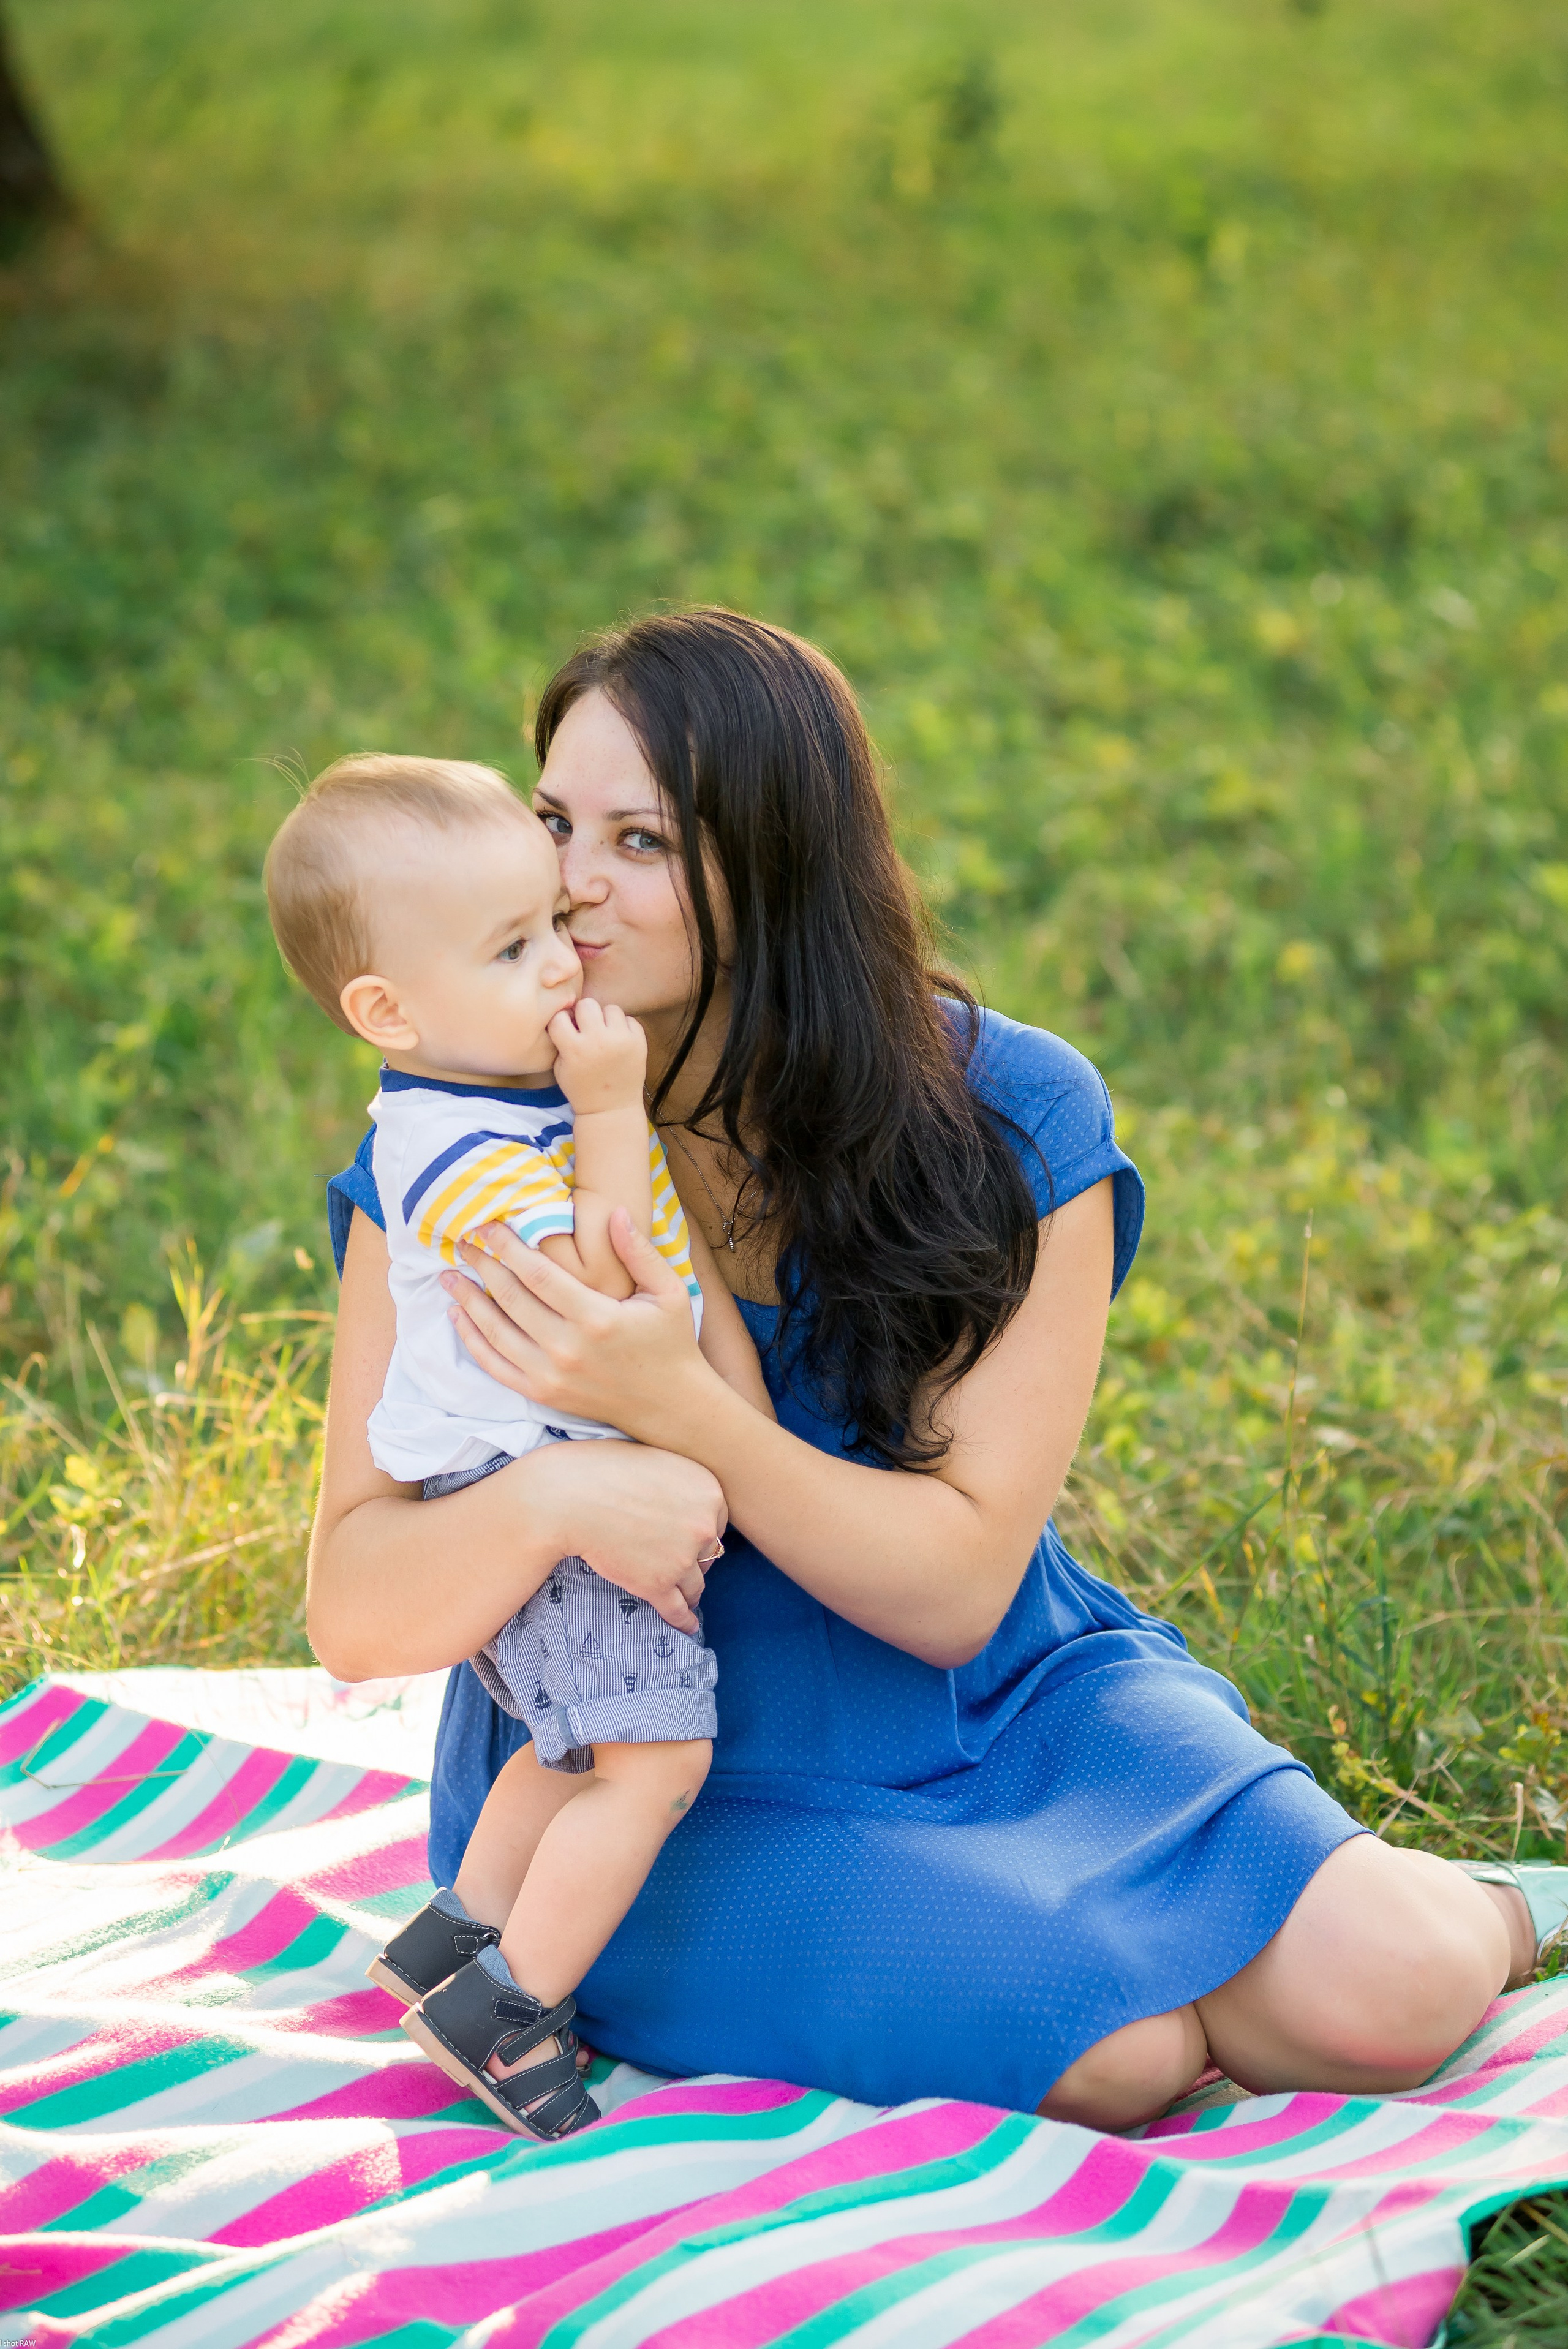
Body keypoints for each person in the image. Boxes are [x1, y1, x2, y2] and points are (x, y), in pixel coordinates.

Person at [309, 608, 1556, 2133]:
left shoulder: (1005, 1112)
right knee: (1115, 2052)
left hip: (990, 1682)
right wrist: (563, 1489)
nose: (564, 886)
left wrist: (676, 1408)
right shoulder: (463, 1161)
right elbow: (357, 1614)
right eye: (555, 818)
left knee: (1395, 1989)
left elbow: (960, 1584)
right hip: (644, 1767)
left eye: (638, 841)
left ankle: (1488, 1901)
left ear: (777, 863)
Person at [265, 752, 773, 2138]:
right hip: (543, 1497)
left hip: (516, 1490)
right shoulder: (472, 1150)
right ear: (389, 1008)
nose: (561, 963)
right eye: (513, 947)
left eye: (553, 925)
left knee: (562, 1749)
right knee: (650, 1764)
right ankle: (507, 2014)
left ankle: (448, 1941)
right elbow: (610, 1306)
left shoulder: (473, 1106)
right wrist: (614, 1110)